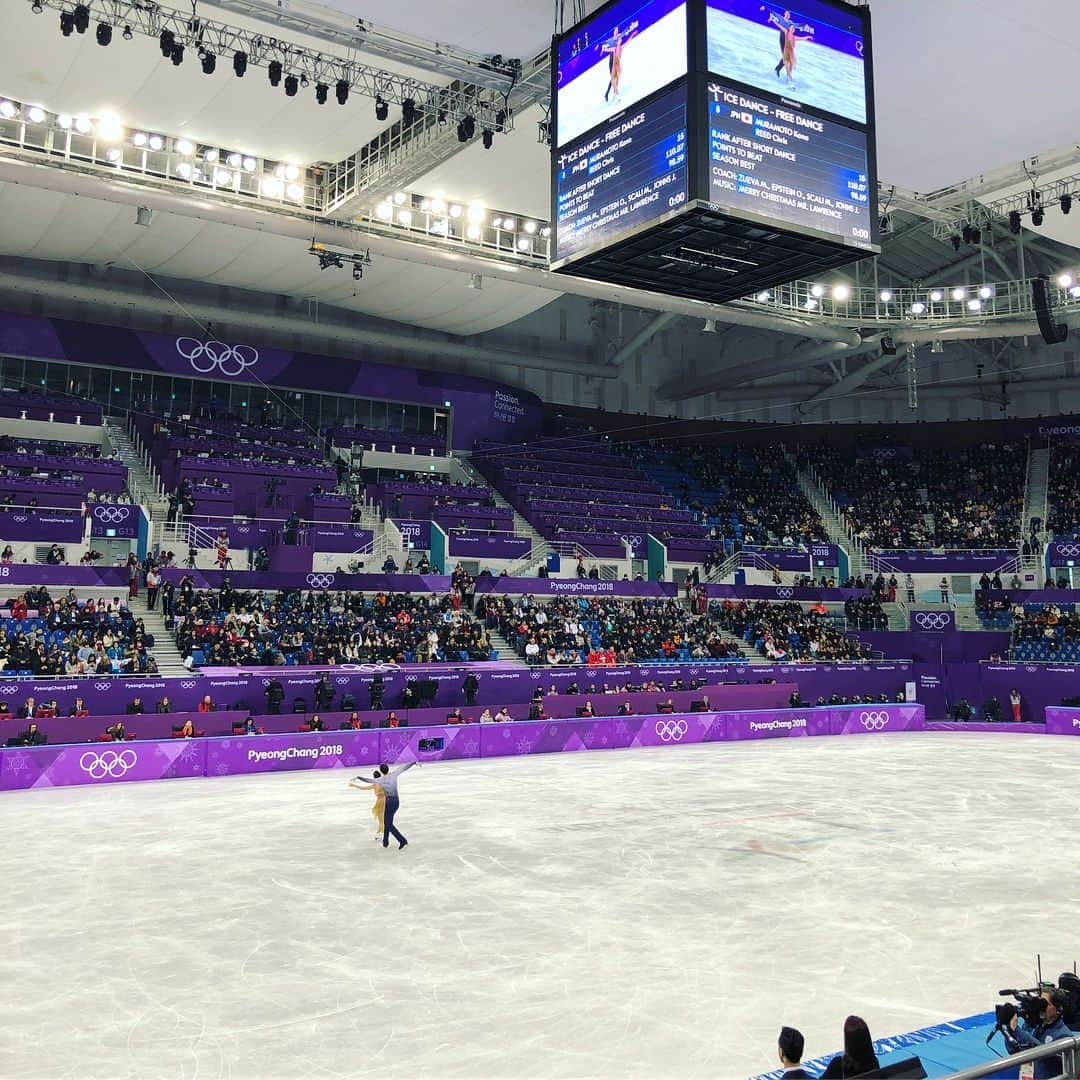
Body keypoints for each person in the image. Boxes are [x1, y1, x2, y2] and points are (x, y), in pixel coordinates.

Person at [1007, 989, 1073, 1079]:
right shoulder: (1032, 1026)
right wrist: (1009, 1029)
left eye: (1045, 1004)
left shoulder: (1064, 1036)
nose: (1041, 1007)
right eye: (1040, 1002)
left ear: (1058, 1008)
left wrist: (1017, 1031)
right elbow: (1013, 1051)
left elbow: (1042, 1053)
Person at [354, 761, 417, 849]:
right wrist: (413, 763)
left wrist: (358, 777)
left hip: (390, 803)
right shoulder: (394, 774)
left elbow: (369, 780)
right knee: (387, 822)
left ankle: (402, 840)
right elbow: (403, 768)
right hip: (396, 802)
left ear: (381, 771)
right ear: (387, 769)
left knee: (388, 823)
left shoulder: (380, 780)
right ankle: (385, 842)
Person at [348, 772, 387, 840]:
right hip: (385, 801)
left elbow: (363, 788)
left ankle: (382, 835)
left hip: (380, 802)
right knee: (381, 819)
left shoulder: (375, 784)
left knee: (381, 820)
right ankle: (378, 834)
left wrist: (354, 785)